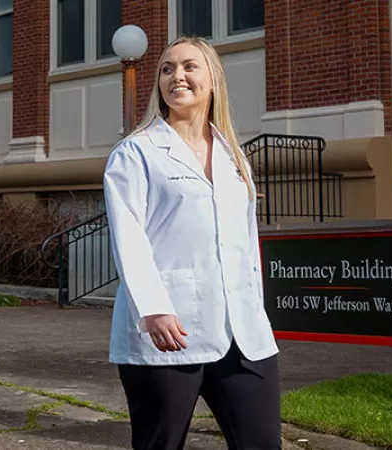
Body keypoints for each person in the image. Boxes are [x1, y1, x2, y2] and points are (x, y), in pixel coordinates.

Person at [102, 36, 281, 450]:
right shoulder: (136, 153)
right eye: (167, 69)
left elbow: (246, 244)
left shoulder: (233, 157)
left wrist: (256, 306)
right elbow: (128, 236)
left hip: (243, 335)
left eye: (189, 66)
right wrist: (154, 308)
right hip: (168, 331)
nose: (177, 76)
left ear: (213, 80)